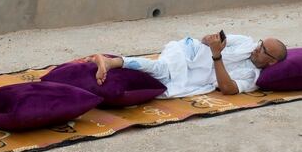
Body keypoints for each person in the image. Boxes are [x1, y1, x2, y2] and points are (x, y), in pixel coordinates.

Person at [88, 33, 287, 98]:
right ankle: (112, 61)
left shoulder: (254, 76)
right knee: (162, 69)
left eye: (262, 50)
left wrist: (217, 55)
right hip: (192, 53)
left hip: (199, 72)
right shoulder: (246, 42)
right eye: (260, 44)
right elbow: (207, 40)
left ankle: (114, 63)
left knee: (162, 76)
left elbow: (228, 89)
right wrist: (213, 41)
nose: (256, 49)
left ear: (272, 61)